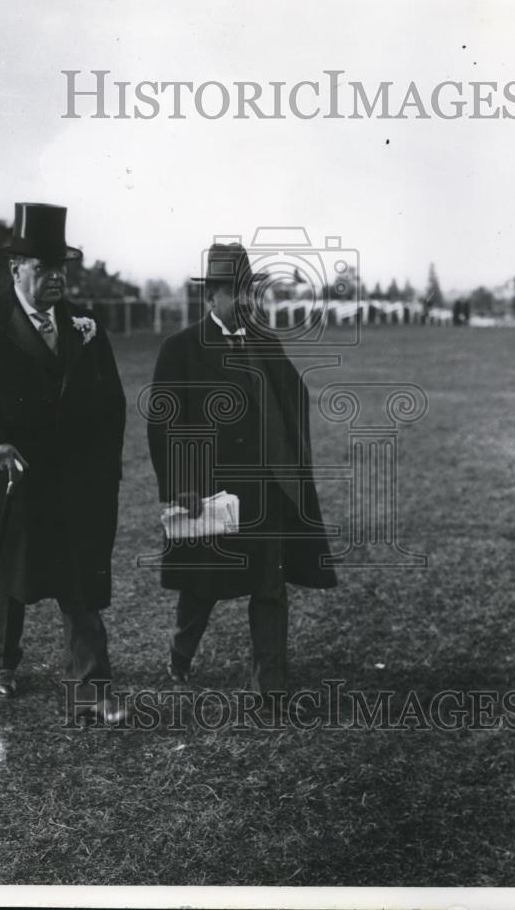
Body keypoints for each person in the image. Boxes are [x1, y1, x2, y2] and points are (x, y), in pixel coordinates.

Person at [0, 202, 126, 723]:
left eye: (61, 268)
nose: (55, 278)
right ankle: (2, 660)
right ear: (15, 269)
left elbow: (110, 402)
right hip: (11, 475)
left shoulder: (85, 326)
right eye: (43, 268)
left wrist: (104, 466)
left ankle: (91, 684)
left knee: (78, 580)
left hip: (72, 481)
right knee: (9, 574)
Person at [146, 239, 337, 714]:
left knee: (269, 585)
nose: (248, 301)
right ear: (211, 296)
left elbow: (293, 398)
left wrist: (287, 460)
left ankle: (269, 680)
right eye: (237, 292)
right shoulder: (181, 349)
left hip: (266, 491)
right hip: (209, 495)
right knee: (202, 588)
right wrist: (182, 488)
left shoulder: (265, 342)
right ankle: (181, 654)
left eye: (251, 291)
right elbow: (163, 427)